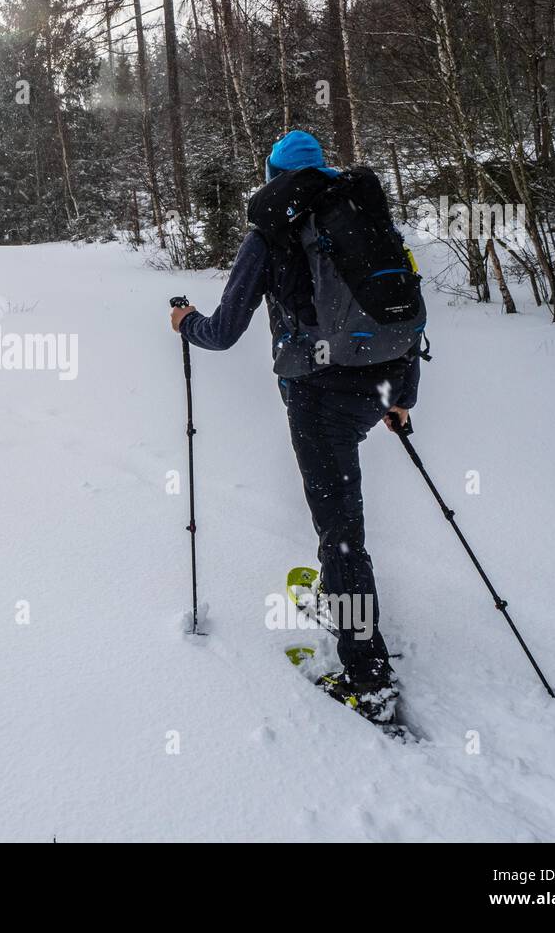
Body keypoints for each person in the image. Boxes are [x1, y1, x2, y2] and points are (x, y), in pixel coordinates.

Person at [169, 130, 422, 719]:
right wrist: (402, 395)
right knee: (343, 527)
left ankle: (369, 679)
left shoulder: (270, 230)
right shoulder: (362, 214)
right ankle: (347, 604)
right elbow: (403, 306)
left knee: (342, 536)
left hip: (319, 397)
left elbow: (224, 330)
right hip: (382, 383)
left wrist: (184, 323)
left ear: (273, 174)